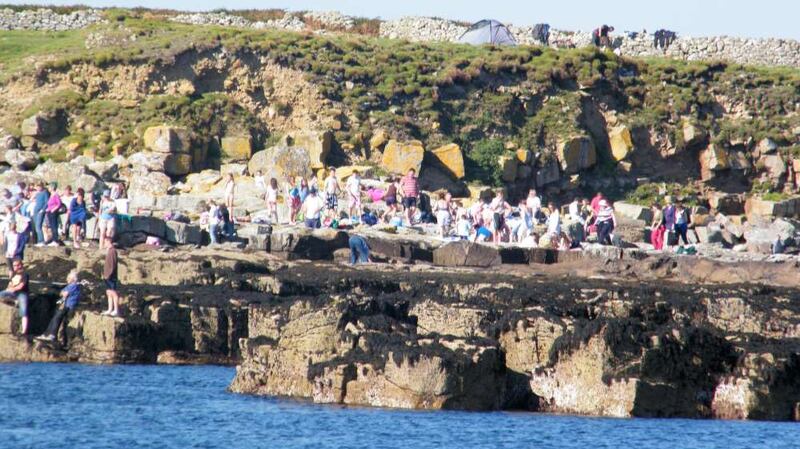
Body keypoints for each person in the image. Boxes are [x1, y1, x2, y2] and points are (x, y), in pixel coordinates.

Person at [36, 270, 81, 344]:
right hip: (64, 304)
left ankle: (52, 334)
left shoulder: (73, 285)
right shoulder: (69, 285)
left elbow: (64, 294)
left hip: (68, 305)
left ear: (73, 279)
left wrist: (56, 291)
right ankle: (47, 334)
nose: (67, 279)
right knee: (53, 317)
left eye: (68, 278)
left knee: (57, 317)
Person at [0, 258, 29, 334]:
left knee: (24, 310)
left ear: (21, 265)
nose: (16, 267)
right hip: (13, 294)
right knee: (1, 294)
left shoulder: (25, 274)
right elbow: (9, 285)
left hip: (22, 293)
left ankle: (24, 331)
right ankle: (14, 301)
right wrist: (8, 290)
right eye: (15, 265)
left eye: (17, 265)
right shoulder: (13, 274)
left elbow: (21, 286)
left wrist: (11, 289)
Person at [101, 244, 121, 317]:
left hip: (111, 276)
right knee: (108, 292)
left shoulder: (113, 251)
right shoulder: (109, 251)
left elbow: (112, 265)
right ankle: (110, 309)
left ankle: (116, 310)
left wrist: (109, 274)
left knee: (114, 293)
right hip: (107, 276)